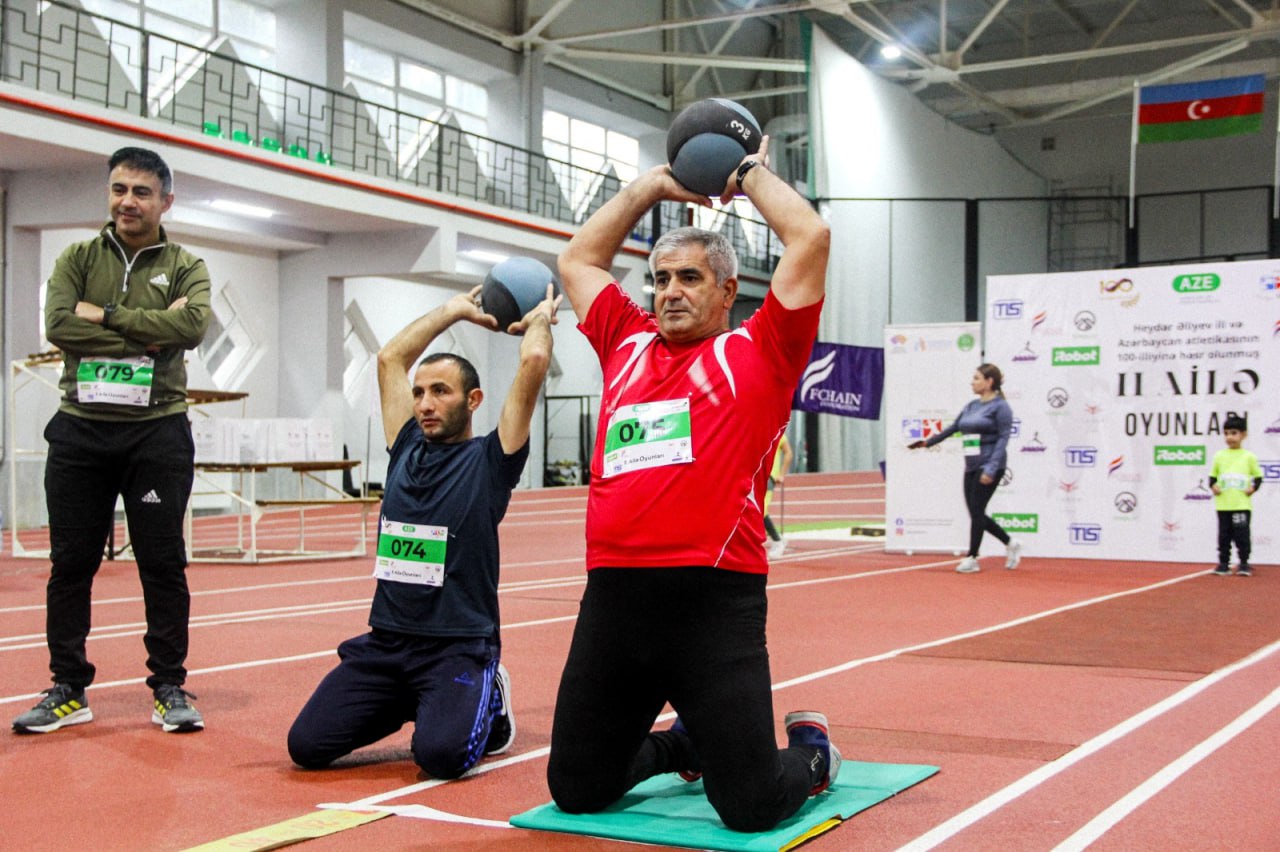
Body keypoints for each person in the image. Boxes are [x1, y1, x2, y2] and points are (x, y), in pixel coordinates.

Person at [547, 138, 840, 834]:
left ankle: (815, 754)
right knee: (578, 789)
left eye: (689, 279)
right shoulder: (626, 340)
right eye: (661, 279)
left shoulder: (761, 350)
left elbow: (811, 235)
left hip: (713, 603)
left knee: (751, 808)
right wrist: (649, 187)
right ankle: (681, 744)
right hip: (614, 599)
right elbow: (576, 261)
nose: (670, 292)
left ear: (728, 290)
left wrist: (744, 175)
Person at [287, 281, 557, 777]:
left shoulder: (491, 462)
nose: (425, 403)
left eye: (440, 391)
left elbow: (533, 364)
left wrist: (539, 318)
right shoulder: (405, 448)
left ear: (473, 400)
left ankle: (489, 700)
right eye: (419, 393)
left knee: (441, 758)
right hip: (387, 646)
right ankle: (420, 703)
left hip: (456, 644)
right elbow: (390, 357)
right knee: (306, 746)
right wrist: (452, 311)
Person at [13, 147, 212, 735]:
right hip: (80, 431)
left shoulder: (185, 266)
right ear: (109, 194)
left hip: (157, 433)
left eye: (142, 192)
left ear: (165, 201)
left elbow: (192, 326)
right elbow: (58, 325)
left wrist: (102, 317)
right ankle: (68, 687)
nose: (128, 201)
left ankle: (169, 685)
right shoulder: (76, 257)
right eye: (119, 189)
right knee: (70, 563)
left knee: (162, 562)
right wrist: (149, 333)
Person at [908, 363, 1019, 574]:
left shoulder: (1001, 407)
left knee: (977, 511)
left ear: (989, 382)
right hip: (971, 465)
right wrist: (927, 443)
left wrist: (991, 468)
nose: (972, 382)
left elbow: (1003, 439)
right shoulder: (971, 406)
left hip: (990, 465)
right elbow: (954, 428)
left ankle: (972, 557)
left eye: (977, 378)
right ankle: (1010, 542)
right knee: (975, 513)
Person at [1209, 414, 1262, 576]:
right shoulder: (1219, 456)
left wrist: (1252, 489)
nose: (1229, 437)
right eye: (1226, 433)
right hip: (1223, 505)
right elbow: (1212, 478)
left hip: (1241, 505)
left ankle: (1244, 563)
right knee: (1224, 536)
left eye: (1233, 433)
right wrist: (1214, 486)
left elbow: (1258, 477)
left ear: (1243, 435)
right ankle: (1224, 563)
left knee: (1242, 535)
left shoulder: (1249, 456)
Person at [763, 433, 793, 558]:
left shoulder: (777, 432)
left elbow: (788, 453)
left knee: (761, 510)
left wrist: (781, 474)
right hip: (755, 474)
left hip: (769, 476)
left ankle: (777, 540)